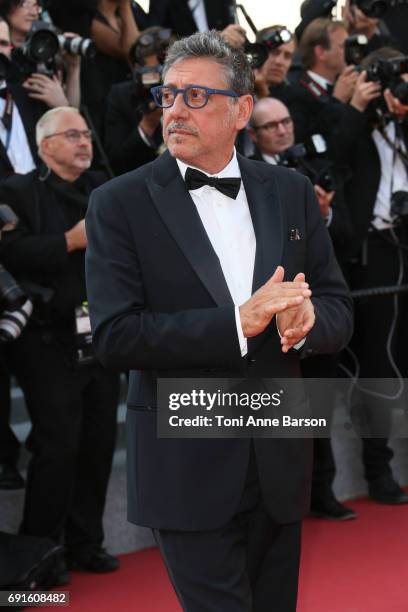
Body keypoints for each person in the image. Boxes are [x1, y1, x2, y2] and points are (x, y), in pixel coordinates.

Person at [85, 31, 353, 611]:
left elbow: (337, 306)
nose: (175, 110)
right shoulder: (118, 203)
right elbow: (114, 336)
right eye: (167, 95)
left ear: (241, 109)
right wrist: (237, 322)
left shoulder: (291, 191)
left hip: (279, 461)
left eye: (195, 96)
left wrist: (307, 321)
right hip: (187, 464)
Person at [0, 106, 120, 585]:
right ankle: (42, 551)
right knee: (58, 444)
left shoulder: (105, 192)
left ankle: (86, 543)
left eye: (87, 134)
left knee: (98, 442)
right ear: (45, 145)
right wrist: (68, 242)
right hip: (44, 339)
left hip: (102, 334)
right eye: (72, 135)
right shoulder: (16, 192)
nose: (84, 142)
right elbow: (8, 252)